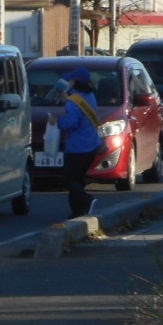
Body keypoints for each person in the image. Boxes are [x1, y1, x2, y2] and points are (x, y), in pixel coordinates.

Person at [58, 66, 103, 218]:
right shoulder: (90, 96)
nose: (68, 82)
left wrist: (56, 121)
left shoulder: (74, 101)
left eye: (70, 79)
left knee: (70, 180)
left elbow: (71, 122)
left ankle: (86, 201)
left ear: (75, 81)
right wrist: (67, 98)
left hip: (77, 147)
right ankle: (77, 212)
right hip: (91, 144)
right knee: (78, 179)